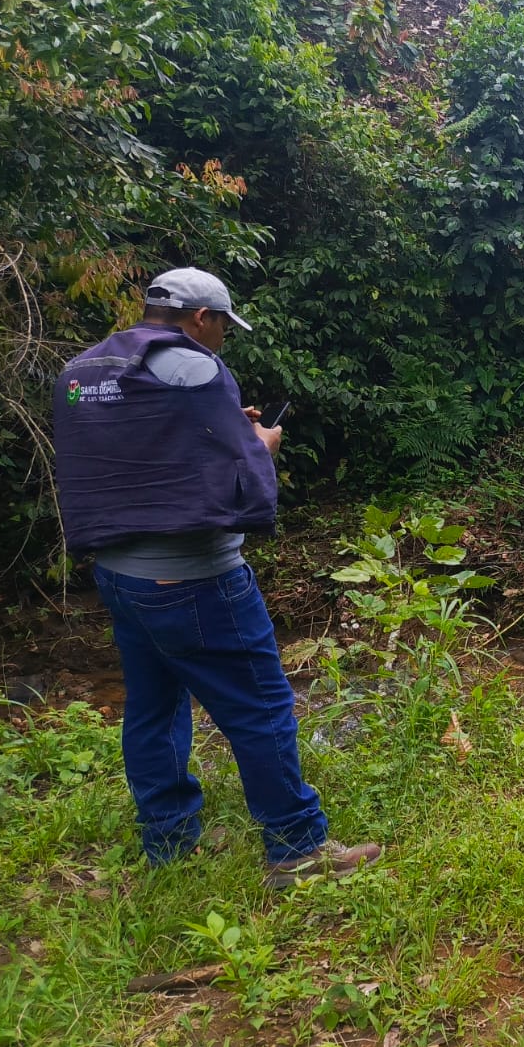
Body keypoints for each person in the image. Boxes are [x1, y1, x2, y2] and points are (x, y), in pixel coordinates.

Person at [52, 267, 380, 889]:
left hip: (119, 575)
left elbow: (144, 450)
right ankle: (297, 847)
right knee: (261, 706)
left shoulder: (87, 369)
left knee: (153, 709)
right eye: (225, 325)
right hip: (193, 578)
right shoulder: (197, 365)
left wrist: (226, 424)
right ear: (201, 318)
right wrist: (261, 445)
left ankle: (169, 844)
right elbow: (237, 471)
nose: (225, 336)